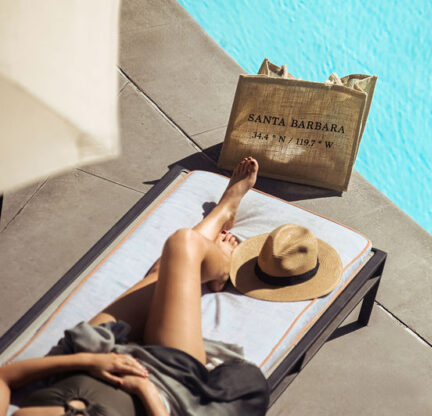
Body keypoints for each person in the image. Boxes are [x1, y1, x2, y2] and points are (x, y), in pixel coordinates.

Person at [0, 157, 268, 416]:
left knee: (162, 274)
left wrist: (91, 361)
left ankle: (223, 215)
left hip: (90, 353)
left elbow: (3, 378)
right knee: (182, 245)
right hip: (162, 376)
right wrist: (143, 389)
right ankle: (221, 260)